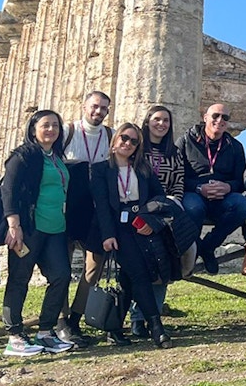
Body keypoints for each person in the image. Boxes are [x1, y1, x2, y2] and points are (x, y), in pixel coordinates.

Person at [91, 123, 174, 348]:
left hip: (140, 226)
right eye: (124, 138)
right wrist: (108, 235)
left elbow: (159, 196)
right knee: (139, 274)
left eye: (134, 141)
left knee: (129, 278)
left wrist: (149, 222)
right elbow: (101, 207)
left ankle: (114, 328)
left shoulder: (143, 168)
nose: (128, 144)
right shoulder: (100, 169)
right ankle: (157, 328)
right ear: (115, 140)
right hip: (117, 229)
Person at [0, 109, 75, 357]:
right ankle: (15, 336)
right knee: (19, 279)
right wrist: (14, 224)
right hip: (29, 228)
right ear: (34, 129)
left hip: (55, 228)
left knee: (61, 276)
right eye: (45, 125)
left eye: (55, 125)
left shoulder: (57, 157)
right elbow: (8, 190)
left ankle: (45, 332)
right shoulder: (23, 156)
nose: (51, 130)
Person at [58, 90, 112, 347]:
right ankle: (60, 321)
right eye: (94, 106)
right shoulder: (67, 132)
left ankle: (75, 319)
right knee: (61, 268)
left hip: (95, 213)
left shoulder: (110, 136)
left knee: (93, 269)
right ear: (84, 106)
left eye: (103, 108)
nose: (98, 112)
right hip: (67, 211)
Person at [129, 105, 189, 338]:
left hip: (163, 215)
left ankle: (151, 316)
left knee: (162, 265)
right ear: (147, 121)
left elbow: (179, 183)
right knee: (141, 266)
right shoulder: (136, 149)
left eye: (165, 120)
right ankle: (136, 318)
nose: (161, 124)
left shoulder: (174, 152)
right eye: (157, 119)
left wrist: (173, 204)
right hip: (139, 214)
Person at [179, 103, 246, 274]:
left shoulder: (235, 146)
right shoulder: (185, 140)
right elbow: (177, 176)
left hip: (222, 197)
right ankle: (192, 250)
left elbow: (241, 181)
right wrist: (199, 188)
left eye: (225, 117)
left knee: (243, 205)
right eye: (215, 116)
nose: (220, 120)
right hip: (194, 193)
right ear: (205, 118)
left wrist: (228, 187)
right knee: (193, 207)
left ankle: (208, 246)